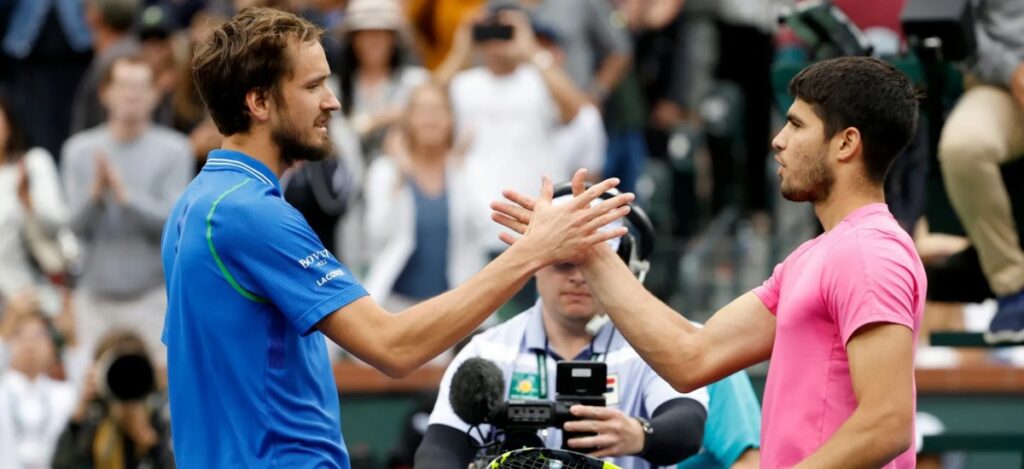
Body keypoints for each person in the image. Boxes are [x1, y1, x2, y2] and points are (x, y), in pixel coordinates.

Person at [161, 7, 633, 468]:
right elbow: (393, 346)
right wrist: (533, 252)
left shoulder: (193, 205)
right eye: (312, 86)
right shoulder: (252, 215)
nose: (333, 100)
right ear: (259, 103)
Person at [493, 56, 925, 468]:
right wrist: (587, 248)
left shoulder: (870, 253)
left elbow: (887, 424)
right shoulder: (815, 257)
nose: (778, 139)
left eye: (796, 124)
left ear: (846, 143)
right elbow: (691, 357)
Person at [415, 219, 709, 468]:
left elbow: (688, 427)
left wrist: (640, 435)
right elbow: (439, 449)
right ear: (536, 263)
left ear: (623, 268)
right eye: (563, 263)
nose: (578, 277)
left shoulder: (653, 345)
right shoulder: (488, 349)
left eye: (595, 263)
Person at [61, 54, 193, 365]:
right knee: (91, 389)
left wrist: (126, 197)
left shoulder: (176, 150)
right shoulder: (78, 150)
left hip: (151, 296)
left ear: (154, 95)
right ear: (105, 93)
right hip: (93, 297)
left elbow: (175, 226)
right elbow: (73, 227)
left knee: (158, 392)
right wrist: (95, 195)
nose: (130, 95)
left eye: (139, 87)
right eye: (123, 86)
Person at [937, 0, 1024, 342]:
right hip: (1000, 86)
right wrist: (1012, 70)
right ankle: (1013, 287)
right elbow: (957, 28)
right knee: (964, 146)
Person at [363, 83, 488, 311]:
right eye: (421, 110)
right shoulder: (386, 171)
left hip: (452, 306)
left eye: (438, 110)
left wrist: (459, 167)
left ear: (451, 119)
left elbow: (483, 227)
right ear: (407, 119)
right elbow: (378, 233)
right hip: (395, 305)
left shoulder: (469, 170)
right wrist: (400, 174)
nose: (430, 118)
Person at [52, 330, 174, 469]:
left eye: (133, 371)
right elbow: (61, 465)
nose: (125, 379)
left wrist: (148, 440)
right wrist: (80, 412)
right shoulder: (94, 417)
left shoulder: (160, 415)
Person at [335, 0, 429, 160]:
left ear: (394, 39)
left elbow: (434, 112)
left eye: (382, 34)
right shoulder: (334, 89)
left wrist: (377, 121)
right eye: (366, 34)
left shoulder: (416, 82)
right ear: (353, 40)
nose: (374, 41)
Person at [0, 96, 70, 305]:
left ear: (9, 124)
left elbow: (60, 224)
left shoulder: (32, 163)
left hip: (29, 295)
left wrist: (28, 201)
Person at [0, 311, 77, 469]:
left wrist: (71, 338)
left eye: (38, 336)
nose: (29, 344)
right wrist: (9, 323)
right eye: (19, 335)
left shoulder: (64, 394)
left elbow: (86, 387)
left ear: (53, 348)